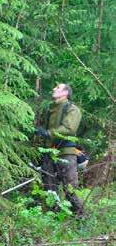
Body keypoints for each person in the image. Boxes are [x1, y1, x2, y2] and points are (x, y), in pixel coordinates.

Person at [35, 83, 84, 217]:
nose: (53, 89)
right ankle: (53, 220)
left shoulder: (72, 109)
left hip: (66, 154)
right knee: (49, 189)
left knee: (70, 189)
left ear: (65, 93)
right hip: (49, 154)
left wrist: (48, 133)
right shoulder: (51, 109)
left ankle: (82, 218)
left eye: (57, 88)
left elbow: (69, 129)